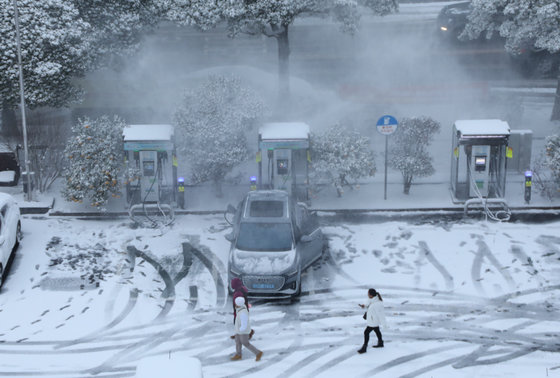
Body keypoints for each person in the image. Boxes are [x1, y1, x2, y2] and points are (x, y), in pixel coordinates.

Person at [230, 297, 263, 362]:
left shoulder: (243, 312)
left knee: (245, 343)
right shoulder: (239, 309)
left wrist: (241, 330)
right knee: (238, 342)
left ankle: (258, 353)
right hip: (238, 330)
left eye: (236, 303)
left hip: (243, 331)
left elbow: (244, 323)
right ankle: (238, 354)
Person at [357, 288, 386, 353]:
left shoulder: (378, 303)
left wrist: (384, 324)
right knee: (377, 330)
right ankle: (381, 343)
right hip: (372, 320)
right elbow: (368, 303)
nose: (367, 295)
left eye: (368, 293)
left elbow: (381, 314)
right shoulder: (372, 299)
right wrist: (363, 305)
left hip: (373, 321)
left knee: (366, 332)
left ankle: (364, 348)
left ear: (371, 295)